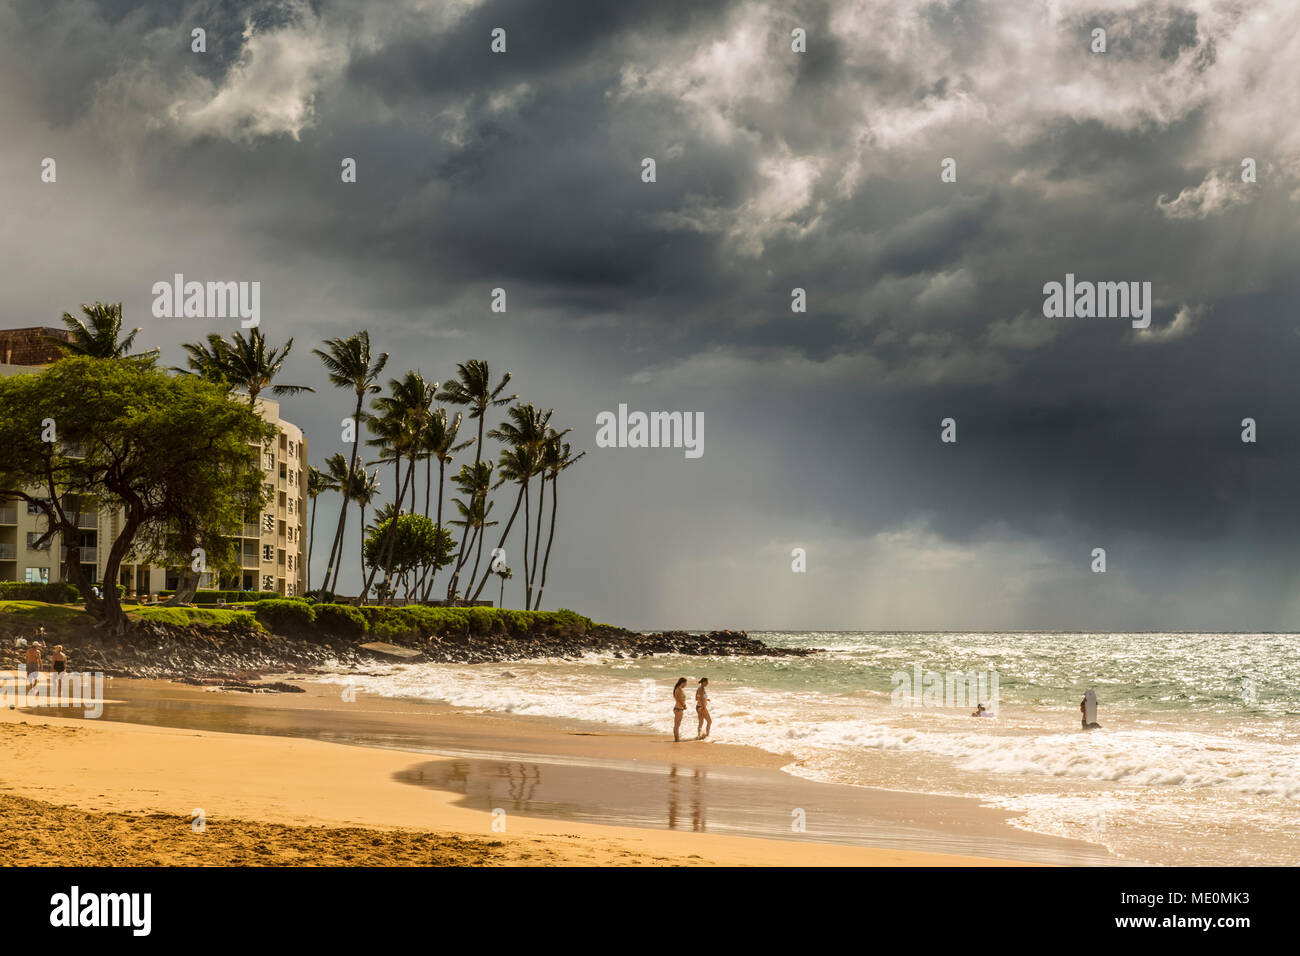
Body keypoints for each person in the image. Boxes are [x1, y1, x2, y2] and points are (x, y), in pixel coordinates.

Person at [672, 678, 688, 742]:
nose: (686, 685)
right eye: (686, 683)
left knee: (677, 725)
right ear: (683, 683)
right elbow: (680, 700)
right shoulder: (679, 689)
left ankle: (677, 738)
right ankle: (676, 739)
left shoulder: (678, 689)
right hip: (679, 708)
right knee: (677, 725)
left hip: (678, 708)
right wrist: (684, 706)